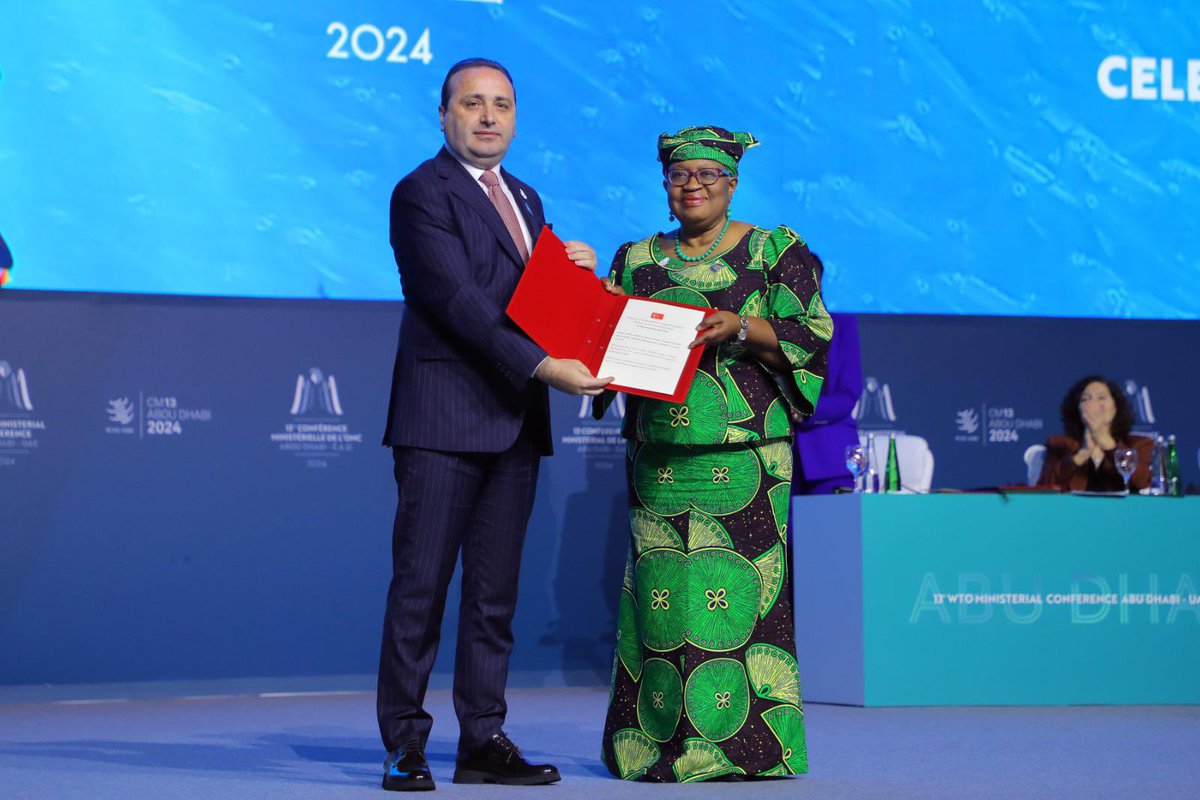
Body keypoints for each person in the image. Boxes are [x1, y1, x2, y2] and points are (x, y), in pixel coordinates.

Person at [379, 57, 611, 791]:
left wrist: (576, 273)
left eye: (502, 105)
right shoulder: (420, 193)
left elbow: (531, 301)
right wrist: (546, 368)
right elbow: (457, 301)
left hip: (512, 425)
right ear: (442, 115)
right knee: (420, 591)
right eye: (472, 104)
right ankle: (405, 746)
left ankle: (482, 740)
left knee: (494, 598)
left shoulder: (528, 198)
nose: (488, 117)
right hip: (443, 422)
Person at [596, 126, 830, 782]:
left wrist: (745, 327)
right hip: (661, 454)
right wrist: (595, 315)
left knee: (745, 601)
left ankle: (754, 751)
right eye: (679, 175)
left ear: (732, 183)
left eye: (708, 174)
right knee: (660, 599)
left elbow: (813, 333)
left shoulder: (773, 252)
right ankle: (656, 749)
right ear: (665, 187)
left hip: (749, 457)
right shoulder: (637, 258)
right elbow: (608, 346)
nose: (693, 184)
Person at [791, 252, 862, 494]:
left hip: (828, 457)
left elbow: (848, 395)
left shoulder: (842, 327)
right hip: (774, 458)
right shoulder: (762, 328)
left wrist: (806, 409)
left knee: (830, 532)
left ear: (819, 280)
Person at [1036, 375, 1153, 492]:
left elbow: (1143, 483)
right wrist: (1081, 454)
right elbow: (1044, 490)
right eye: (1085, 399)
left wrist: (1106, 443)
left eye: (1101, 398)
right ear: (1078, 410)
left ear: (1115, 408)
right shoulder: (1060, 445)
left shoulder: (1138, 444)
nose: (1092, 404)